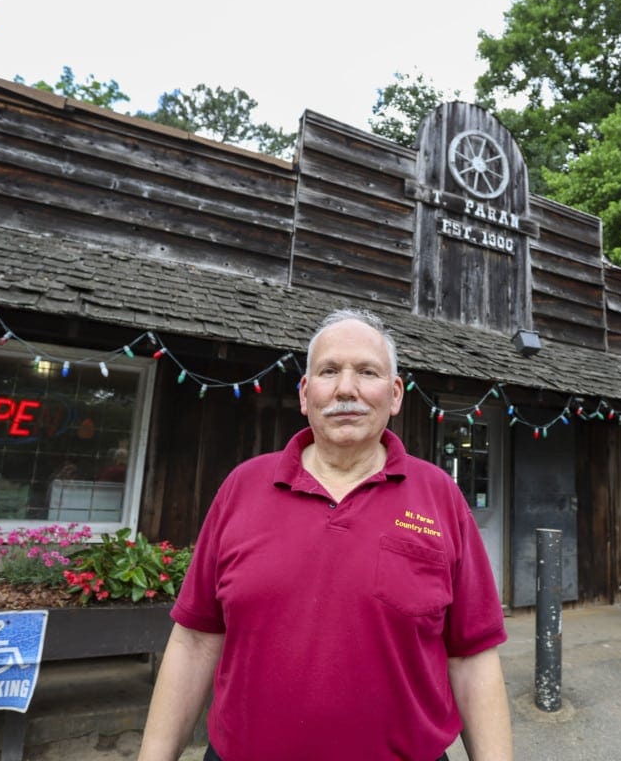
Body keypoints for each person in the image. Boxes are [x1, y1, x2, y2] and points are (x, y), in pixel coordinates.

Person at [138, 309, 513, 761]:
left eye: (367, 372)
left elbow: (472, 657)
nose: (346, 389)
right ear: (305, 393)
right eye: (329, 371)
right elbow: (195, 640)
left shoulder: (440, 497)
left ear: (395, 394)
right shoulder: (243, 487)